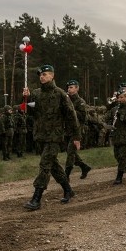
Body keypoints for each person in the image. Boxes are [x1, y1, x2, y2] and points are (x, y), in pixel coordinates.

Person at [23, 65, 81, 211]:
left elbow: (71, 116)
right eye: (41, 75)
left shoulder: (60, 94)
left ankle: (36, 198)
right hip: (40, 136)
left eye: (45, 74)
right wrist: (26, 98)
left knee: (45, 165)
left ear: (52, 76)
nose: (42, 77)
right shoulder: (36, 94)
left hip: (54, 137)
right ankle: (68, 190)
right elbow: (29, 111)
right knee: (53, 166)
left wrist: (76, 136)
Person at [65, 80, 92, 180]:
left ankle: (66, 174)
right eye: (68, 88)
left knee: (70, 152)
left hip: (77, 130)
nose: (69, 89)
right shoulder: (66, 100)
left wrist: (72, 110)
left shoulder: (80, 102)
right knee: (70, 152)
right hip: (67, 129)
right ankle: (84, 167)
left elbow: (83, 117)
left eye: (71, 87)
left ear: (77, 88)